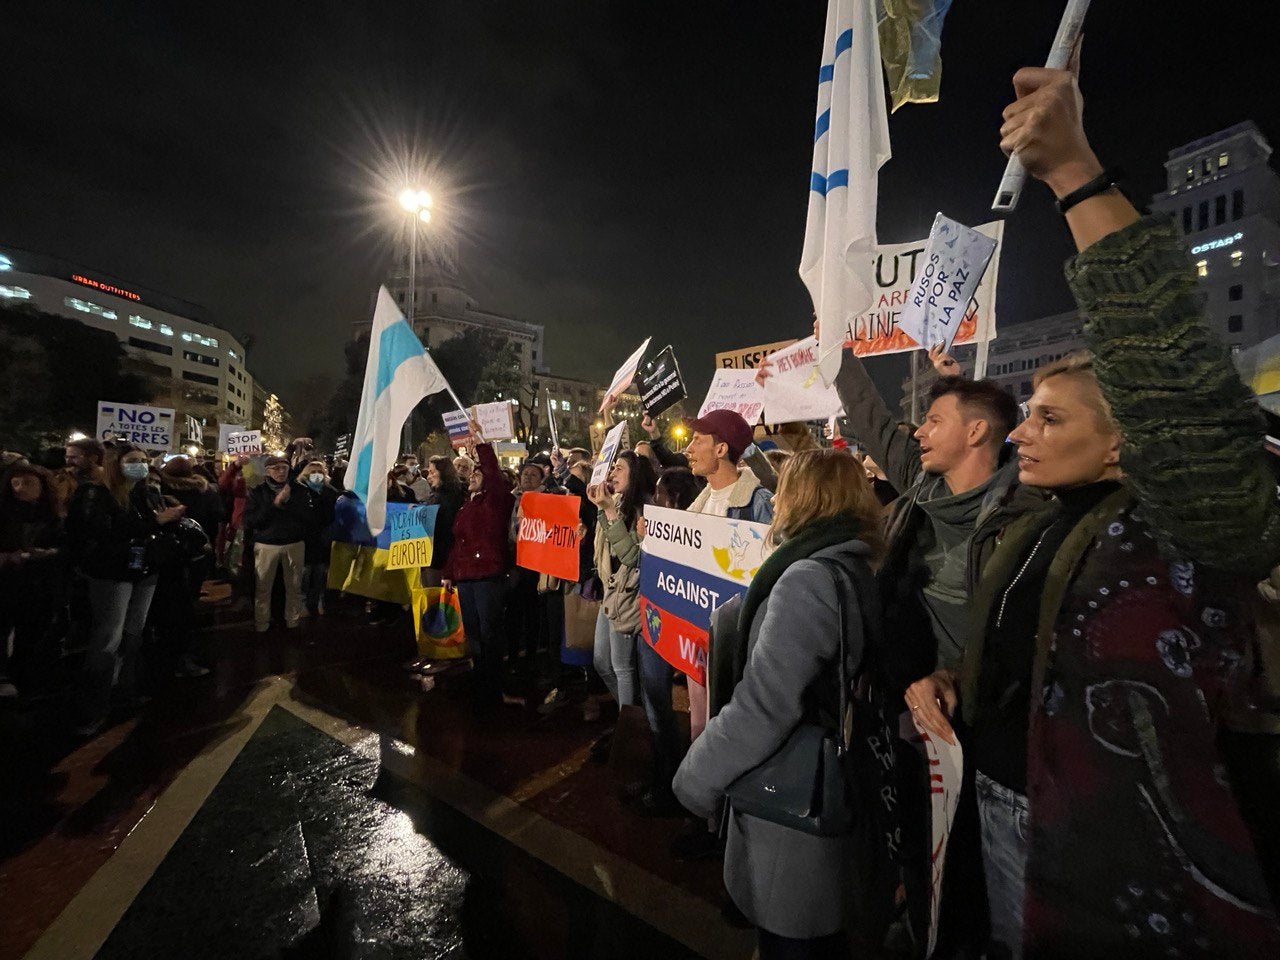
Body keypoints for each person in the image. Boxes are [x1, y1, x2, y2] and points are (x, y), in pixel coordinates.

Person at [905, 66, 1280, 958]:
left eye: (1049, 417)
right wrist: (964, 682)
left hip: (1134, 884)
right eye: (1023, 413)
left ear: (1126, 442)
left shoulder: (1178, 530)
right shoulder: (1042, 523)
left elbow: (1177, 391)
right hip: (998, 810)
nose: (1022, 433)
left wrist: (1075, 175)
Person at [673, 448, 884, 959]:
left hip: (792, 803)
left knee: (791, 939)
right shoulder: (853, 562)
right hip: (833, 776)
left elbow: (766, 704)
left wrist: (695, 777)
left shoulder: (806, 577)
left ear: (802, 500)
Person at [66, 444, 185, 735]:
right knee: (108, 637)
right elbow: (97, 532)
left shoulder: (141, 493)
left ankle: (125, 690)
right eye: (133, 461)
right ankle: (92, 707)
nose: (141, 465)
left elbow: (144, 527)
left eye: (144, 461)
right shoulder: (96, 493)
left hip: (143, 570)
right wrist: (155, 521)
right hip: (111, 574)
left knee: (134, 633)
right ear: (114, 464)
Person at [680, 409, 775, 744]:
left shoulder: (759, 505)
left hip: (735, 643)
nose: (688, 449)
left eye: (697, 440)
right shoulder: (695, 508)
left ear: (721, 450)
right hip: (696, 638)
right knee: (699, 719)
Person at [627, 466, 702, 816]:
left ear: (676, 499)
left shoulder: (699, 527)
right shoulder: (653, 529)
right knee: (655, 700)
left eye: (660, 494)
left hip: (689, 628)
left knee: (700, 715)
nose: (652, 501)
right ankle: (665, 773)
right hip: (655, 622)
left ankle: (690, 790)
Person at [441, 437, 515, 704]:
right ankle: (481, 679)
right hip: (466, 576)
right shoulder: (467, 504)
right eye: (471, 473)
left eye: (477, 473)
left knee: (489, 632)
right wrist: (450, 572)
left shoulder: (496, 500)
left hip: (487, 576)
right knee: (473, 633)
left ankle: (494, 685)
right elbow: (458, 542)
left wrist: (482, 445)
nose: (472, 476)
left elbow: (493, 473)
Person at [586, 450, 657, 714]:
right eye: (612, 468)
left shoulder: (644, 509)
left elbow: (631, 556)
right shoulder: (616, 502)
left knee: (622, 667)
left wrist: (608, 511)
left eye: (619, 469)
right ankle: (632, 717)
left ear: (634, 475)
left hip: (628, 596)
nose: (612, 473)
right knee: (601, 662)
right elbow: (605, 547)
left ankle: (629, 730)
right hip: (611, 592)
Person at [0, 464, 66, 698]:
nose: (20, 489)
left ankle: (25, 677)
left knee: (32, 633)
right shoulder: (5, 515)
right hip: (7, 582)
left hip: (40, 584)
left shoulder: (53, 516)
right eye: (15, 483)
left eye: (27, 483)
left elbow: (65, 547)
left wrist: (44, 554)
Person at [243, 455, 314, 633]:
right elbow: (252, 520)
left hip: (294, 543)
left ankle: (293, 621)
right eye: (276, 468)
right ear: (267, 471)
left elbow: (308, 517)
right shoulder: (257, 492)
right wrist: (275, 504)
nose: (281, 472)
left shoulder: (299, 490)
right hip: (267, 545)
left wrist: (290, 504)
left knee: (294, 586)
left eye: (284, 468)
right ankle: (262, 623)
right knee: (263, 587)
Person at [298, 460, 338, 617]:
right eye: (313, 473)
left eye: (319, 473)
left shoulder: (330, 492)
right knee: (305, 574)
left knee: (321, 573)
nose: (316, 476)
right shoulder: (300, 491)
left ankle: (320, 601)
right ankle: (303, 603)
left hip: (323, 539)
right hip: (306, 539)